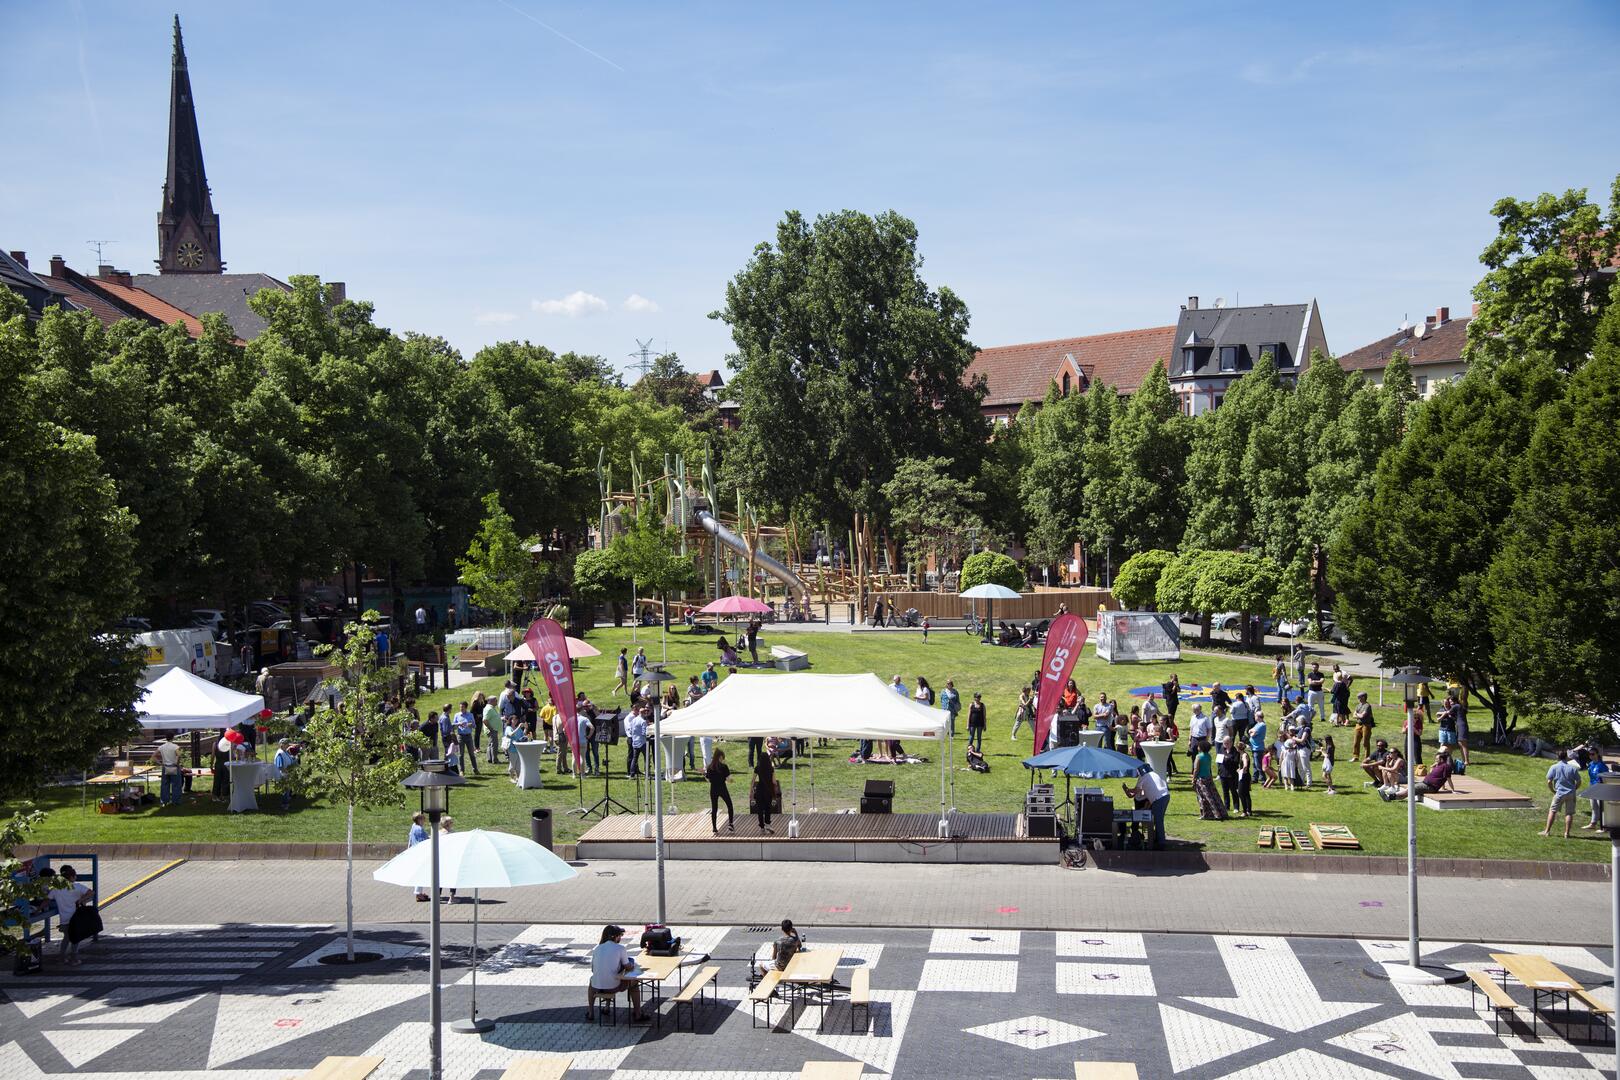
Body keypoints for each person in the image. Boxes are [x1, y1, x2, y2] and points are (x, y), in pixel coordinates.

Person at [589, 925, 648, 1023]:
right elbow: (628, 967)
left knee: (593, 981)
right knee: (634, 983)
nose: (621, 938)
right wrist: (631, 965)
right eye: (620, 935)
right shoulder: (620, 948)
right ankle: (638, 1014)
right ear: (615, 937)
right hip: (613, 987)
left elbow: (593, 970)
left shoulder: (597, 949)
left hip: (597, 987)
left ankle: (592, 1012)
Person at [49, 865, 95, 965]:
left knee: (66, 938)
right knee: (75, 938)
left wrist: (38, 909)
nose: (76, 877)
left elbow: (47, 899)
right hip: (76, 918)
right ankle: (74, 959)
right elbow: (91, 892)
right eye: (75, 876)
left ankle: (61, 958)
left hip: (64, 919)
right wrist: (81, 900)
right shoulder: (77, 886)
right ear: (71, 877)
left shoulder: (56, 889)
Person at [1123, 764, 1171, 849]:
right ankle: (1158, 839)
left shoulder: (1143, 776)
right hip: (1165, 796)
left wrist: (1127, 789)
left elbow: (1136, 790)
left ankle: (1161, 843)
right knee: (1158, 820)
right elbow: (1142, 793)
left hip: (1158, 799)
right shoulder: (1154, 774)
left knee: (1158, 821)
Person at [1542, 748, 1583, 838]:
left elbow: (1549, 781)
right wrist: (1574, 788)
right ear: (1566, 757)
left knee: (1553, 811)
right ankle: (1567, 833)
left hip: (1559, 793)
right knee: (1569, 813)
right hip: (1571, 793)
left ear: (1558, 757)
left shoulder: (1554, 767)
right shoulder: (1572, 768)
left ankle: (1547, 831)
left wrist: (1552, 790)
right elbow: (1579, 781)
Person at [1192, 740, 1226, 820]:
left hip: (1201, 779)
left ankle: (1205, 814)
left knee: (1202, 797)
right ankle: (1219, 812)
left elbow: (1196, 769)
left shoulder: (1198, 756)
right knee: (1213, 796)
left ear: (1201, 748)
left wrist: (1193, 779)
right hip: (1208, 778)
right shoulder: (1209, 756)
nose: (1197, 747)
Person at [706, 748, 735, 833]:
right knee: (729, 805)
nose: (723, 759)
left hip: (713, 789)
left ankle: (714, 828)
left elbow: (708, 779)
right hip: (722, 788)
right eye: (722, 757)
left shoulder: (710, 767)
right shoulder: (724, 767)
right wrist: (732, 781)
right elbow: (728, 779)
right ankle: (730, 824)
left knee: (714, 808)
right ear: (720, 757)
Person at [156, 734, 184, 807]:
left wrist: (160, 763)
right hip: (174, 767)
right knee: (176, 785)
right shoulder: (175, 746)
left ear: (166, 738)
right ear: (173, 737)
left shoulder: (161, 747)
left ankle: (164, 801)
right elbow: (179, 755)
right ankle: (176, 801)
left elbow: (153, 756)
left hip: (165, 767)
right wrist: (177, 763)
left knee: (165, 784)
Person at [452, 702, 480, 774]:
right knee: (461, 754)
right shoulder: (457, 715)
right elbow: (453, 727)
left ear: (466, 707)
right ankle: (462, 770)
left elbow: (474, 726)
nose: (461, 708)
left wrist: (471, 725)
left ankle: (475, 769)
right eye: (460, 707)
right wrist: (458, 724)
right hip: (460, 736)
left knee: (472, 754)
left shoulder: (470, 715)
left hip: (468, 736)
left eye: (462, 707)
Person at [408, 812, 431, 901]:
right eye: (423, 818)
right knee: (421, 873)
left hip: (415, 852)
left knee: (419, 873)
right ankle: (418, 894)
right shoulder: (419, 829)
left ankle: (419, 893)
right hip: (420, 854)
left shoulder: (414, 826)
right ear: (419, 819)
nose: (424, 820)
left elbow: (410, 838)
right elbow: (423, 842)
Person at [752, 754, 777, 833]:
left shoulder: (757, 768)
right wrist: (775, 786)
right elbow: (774, 781)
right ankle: (768, 824)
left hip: (759, 789)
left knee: (760, 809)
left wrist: (751, 791)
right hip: (768, 790)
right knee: (767, 808)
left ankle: (762, 827)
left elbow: (753, 780)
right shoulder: (771, 768)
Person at [273, 738, 298, 811]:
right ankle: (284, 805)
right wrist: (287, 772)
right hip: (283, 774)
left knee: (288, 789)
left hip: (287, 773)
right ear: (282, 745)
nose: (288, 745)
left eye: (288, 744)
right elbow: (280, 766)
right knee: (285, 790)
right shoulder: (280, 753)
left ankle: (287, 801)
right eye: (286, 744)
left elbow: (290, 759)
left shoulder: (285, 752)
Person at [1217, 737, 1241, 815]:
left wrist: (1227, 759)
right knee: (1225, 791)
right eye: (1224, 743)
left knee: (1233, 791)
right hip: (1223, 774)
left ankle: (1236, 807)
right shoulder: (1222, 749)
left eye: (1227, 743)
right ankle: (1226, 806)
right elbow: (1219, 760)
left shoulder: (1235, 751)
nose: (1225, 745)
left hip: (1232, 774)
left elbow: (1236, 762)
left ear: (1231, 743)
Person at [624, 706, 648, 778]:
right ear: (643, 713)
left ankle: (632, 774)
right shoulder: (643, 721)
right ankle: (647, 773)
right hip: (642, 742)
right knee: (646, 758)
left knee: (634, 759)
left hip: (635, 742)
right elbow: (644, 733)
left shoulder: (633, 720)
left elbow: (630, 731)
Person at [1350, 692, 1375, 760]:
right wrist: (1358, 715)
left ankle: (1366, 758)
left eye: (1359, 697)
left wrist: (1357, 714)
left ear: (1363, 697)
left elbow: (1362, 716)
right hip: (1358, 725)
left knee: (1365, 742)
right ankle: (1355, 757)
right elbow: (1354, 715)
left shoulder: (1367, 706)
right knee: (1356, 742)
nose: (1358, 699)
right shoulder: (1358, 705)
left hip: (1366, 725)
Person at [483, 695, 503, 765]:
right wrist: (491, 729)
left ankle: (490, 759)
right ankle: (495, 760)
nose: (497, 702)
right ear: (491, 701)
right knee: (494, 745)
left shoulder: (491, 708)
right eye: (495, 700)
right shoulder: (489, 709)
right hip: (492, 730)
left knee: (491, 744)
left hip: (492, 729)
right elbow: (485, 720)